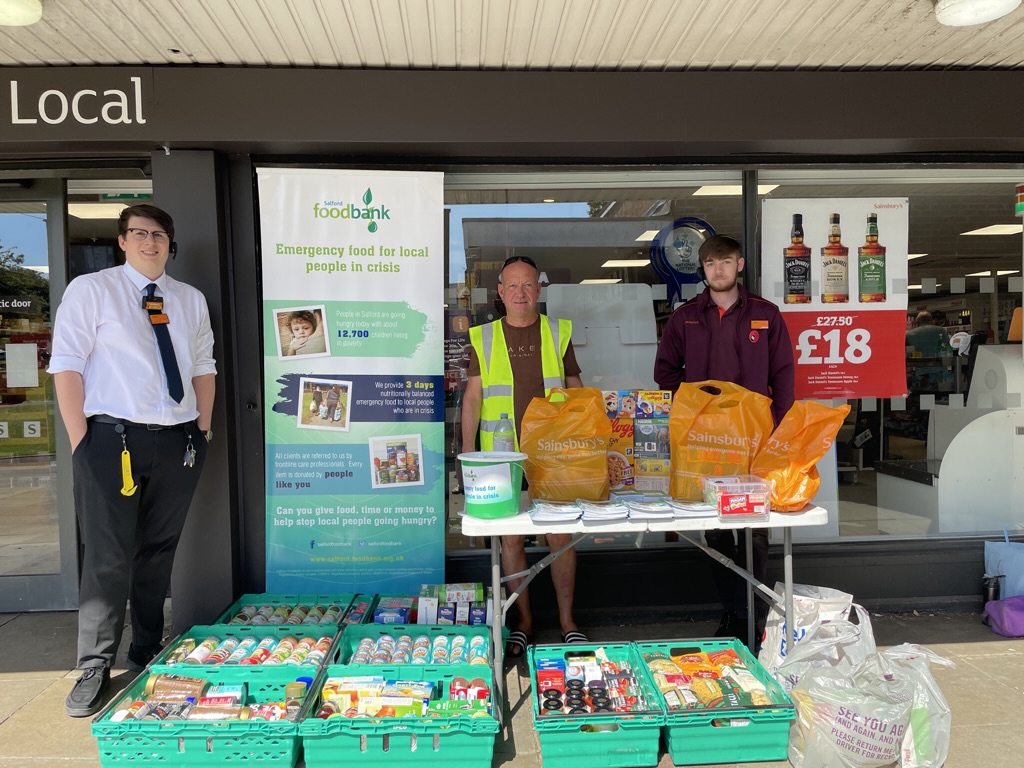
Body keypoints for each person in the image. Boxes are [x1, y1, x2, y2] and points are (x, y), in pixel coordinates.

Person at [49, 204, 216, 717]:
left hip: (178, 441)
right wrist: (82, 443)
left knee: (158, 551)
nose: (151, 242)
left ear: (170, 242)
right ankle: (95, 664)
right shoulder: (91, 290)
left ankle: (147, 649)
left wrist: (202, 430)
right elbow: (67, 367)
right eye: (140, 234)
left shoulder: (189, 300)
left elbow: (204, 365)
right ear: (121, 241)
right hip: (110, 441)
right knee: (107, 554)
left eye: (160, 235)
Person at [653, 235, 794, 644]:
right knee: (714, 526)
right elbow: (665, 373)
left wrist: (780, 430)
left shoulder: (766, 314)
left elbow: (783, 373)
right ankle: (733, 611)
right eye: (711, 263)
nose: (719, 270)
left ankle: (752, 613)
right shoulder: (685, 318)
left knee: (755, 527)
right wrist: (697, 409)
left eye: (726, 262)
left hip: (754, 437)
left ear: (740, 264)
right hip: (706, 443)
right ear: (703, 268)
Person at [461, 255, 588, 657]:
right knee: (511, 540)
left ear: (539, 289)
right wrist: (468, 455)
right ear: (500, 292)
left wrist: (583, 443)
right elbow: (473, 399)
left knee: (560, 538)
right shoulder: (482, 337)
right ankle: (524, 622)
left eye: (528, 284)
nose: (520, 292)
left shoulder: (557, 332)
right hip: (500, 457)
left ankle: (567, 622)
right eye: (512, 285)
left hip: (553, 453)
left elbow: (576, 390)